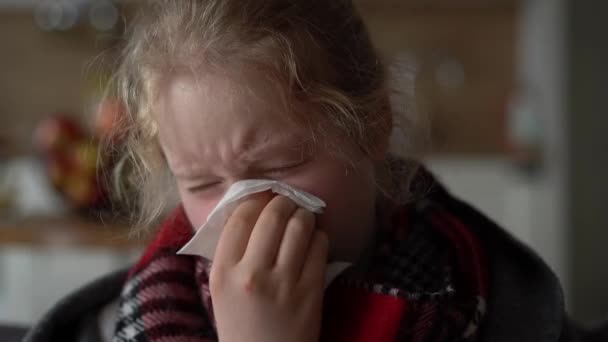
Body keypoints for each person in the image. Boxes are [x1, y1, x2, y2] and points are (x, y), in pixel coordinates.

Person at [23, 0, 607, 341]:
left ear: (374, 126)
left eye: (281, 164)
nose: (243, 210)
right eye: (201, 182)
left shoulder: (488, 301)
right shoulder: (131, 319)